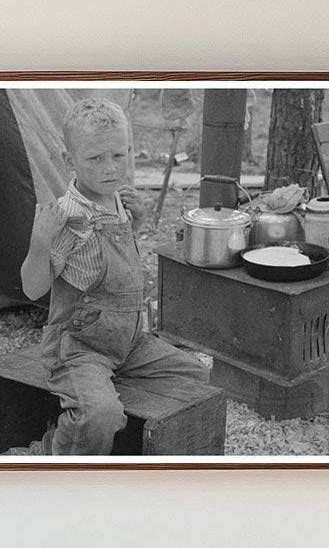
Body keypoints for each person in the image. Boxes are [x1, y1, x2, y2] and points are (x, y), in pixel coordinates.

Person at [20, 97, 208, 455]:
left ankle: (132, 445)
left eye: (119, 156)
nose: (110, 168)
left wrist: (134, 225)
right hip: (80, 348)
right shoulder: (68, 220)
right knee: (101, 414)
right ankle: (48, 457)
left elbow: (113, 262)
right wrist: (40, 242)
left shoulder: (116, 199)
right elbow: (32, 288)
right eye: (95, 159)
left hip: (128, 342)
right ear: (69, 161)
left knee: (194, 376)